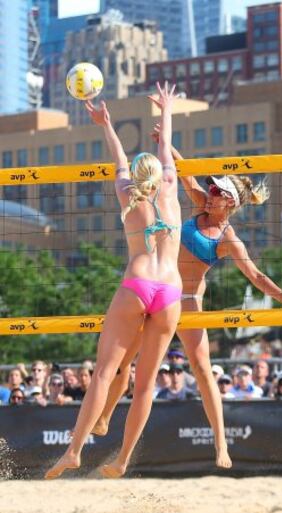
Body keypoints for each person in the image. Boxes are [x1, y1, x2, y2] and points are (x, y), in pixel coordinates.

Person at [90, 127, 282, 469]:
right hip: (156, 290)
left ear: (231, 204)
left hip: (187, 299)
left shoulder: (228, 238)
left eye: (218, 191)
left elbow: (256, 276)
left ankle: (221, 446)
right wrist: (166, 143)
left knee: (203, 370)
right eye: (211, 187)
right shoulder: (199, 204)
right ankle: (103, 418)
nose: (210, 192)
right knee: (122, 364)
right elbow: (183, 170)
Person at [44, 82, 182, 480]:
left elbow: (120, 161)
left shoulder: (127, 193)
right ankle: (122, 459)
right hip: (170, 291)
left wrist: (105, 124)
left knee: (105, 372)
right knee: (145, 384)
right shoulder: (170, 188)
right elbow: (164, 146)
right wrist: (166, 110)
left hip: (138, 284)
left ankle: (74, 450)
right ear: (160, 175)